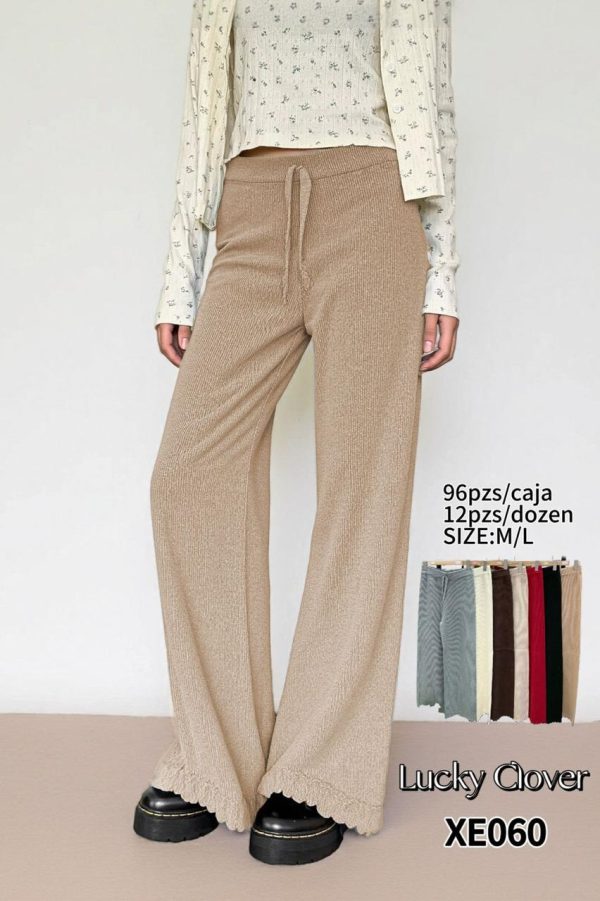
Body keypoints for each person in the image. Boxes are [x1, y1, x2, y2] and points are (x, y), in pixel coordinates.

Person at [133, 0, 459, 865]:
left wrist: (442, 272)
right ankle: (216, 758)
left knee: (362, 487)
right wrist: (180, 277)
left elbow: (428, 87)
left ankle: (319, 767)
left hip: (374, 202)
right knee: (188, 474)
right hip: (249, 209)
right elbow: (204, 104)